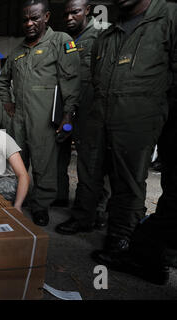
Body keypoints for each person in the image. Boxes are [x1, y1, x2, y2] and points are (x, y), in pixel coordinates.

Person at [68, 0, 176, 264]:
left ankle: (122, 239)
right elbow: (96, 76)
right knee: (90, 169)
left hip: (140, 115)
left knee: (128, 179)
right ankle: (86, 219)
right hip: (101, 114)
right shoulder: (107, 35)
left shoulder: (169, 17)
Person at [0, 0, 80, 226]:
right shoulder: (17, 52)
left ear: (46, 17)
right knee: (18, 162)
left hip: (44, 118)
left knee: (44, 163)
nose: (29, 23)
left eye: (34, 18)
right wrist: (8, 104)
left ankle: (41, 205)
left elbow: (70, 79)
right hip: (20, 118)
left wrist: (68, 114)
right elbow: (3, 81)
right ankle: (21, 198)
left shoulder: (60, 41)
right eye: (25, 20)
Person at [55, 0, 111, 233]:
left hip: (91, 109)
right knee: (74, 159)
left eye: (75, 12)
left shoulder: (101, 34)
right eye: (66, 13)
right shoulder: (68, 42)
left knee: (92, 162)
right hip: (70, 108)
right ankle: (84, 207)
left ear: (87, 10)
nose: (69, 17)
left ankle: (91, 213)